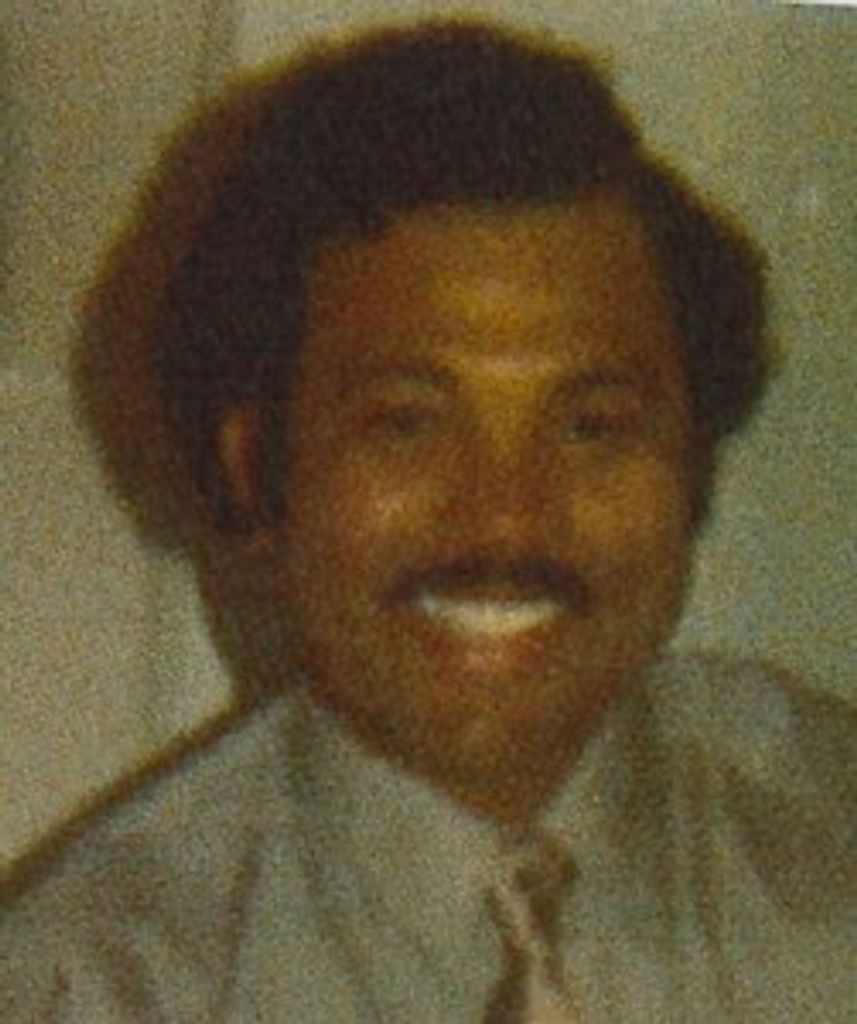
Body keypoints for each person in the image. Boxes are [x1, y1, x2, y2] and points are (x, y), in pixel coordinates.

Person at [2, 19, 854, 1022]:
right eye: (407, 424)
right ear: (256, 465)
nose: (505, 517)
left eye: (590, 427)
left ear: (694, 463)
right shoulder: (93, 985)